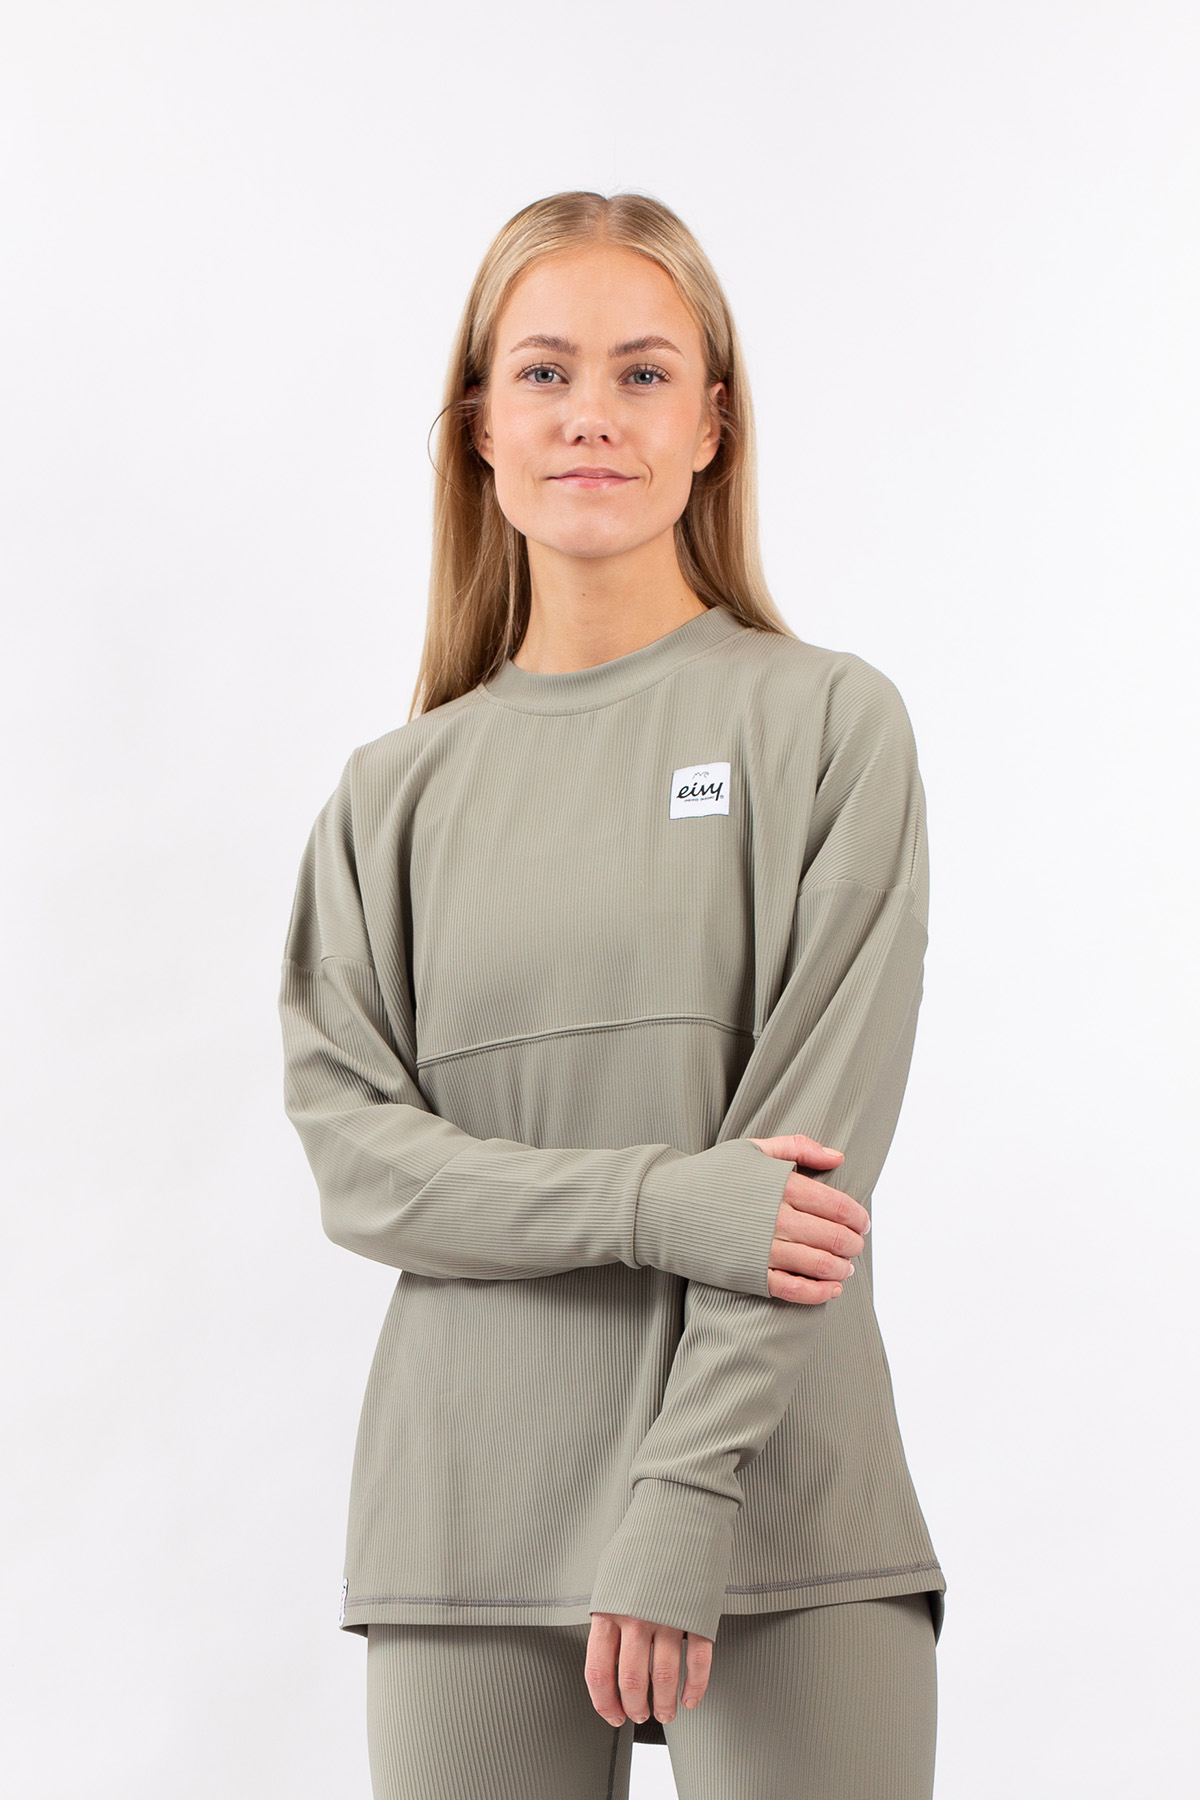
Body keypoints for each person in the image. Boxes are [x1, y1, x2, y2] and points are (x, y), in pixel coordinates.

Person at [278, 189, 945, 1800]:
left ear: (712, 424)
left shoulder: (829, 726)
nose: (593, 414)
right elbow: (361, 1167)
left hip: (778, 1495)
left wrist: (686, 1490)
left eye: (644, 373)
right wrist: (659, 1201)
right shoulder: (388, 797)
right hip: (467, 1507)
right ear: (479, 426)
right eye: (545, 372)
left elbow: (800, 1187)